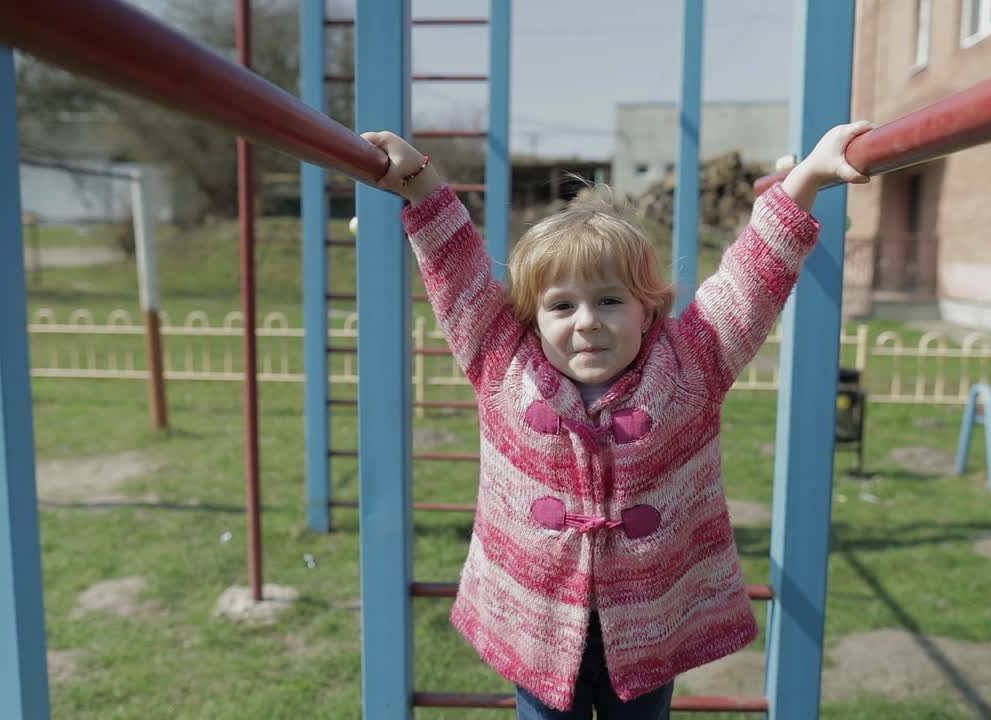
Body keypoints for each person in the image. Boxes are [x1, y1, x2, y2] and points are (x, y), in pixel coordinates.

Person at [360, 120, 873, 720]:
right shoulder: (501, 362)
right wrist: (421, 184)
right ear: (530, 316)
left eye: (609, 300)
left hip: (651, 620)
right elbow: (460, 275)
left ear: (646, 306)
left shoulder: (691, 362)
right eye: (561, 305)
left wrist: (805, 180)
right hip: (537, 618)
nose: (586, 322)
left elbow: (750, 282)